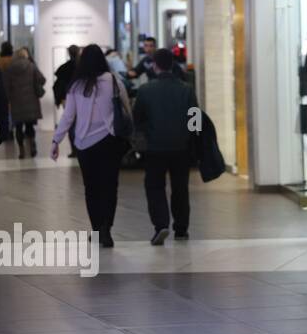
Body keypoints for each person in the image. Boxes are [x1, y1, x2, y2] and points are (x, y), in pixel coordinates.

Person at [51, 45, 131, 248]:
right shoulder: (112, 80)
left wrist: (56, 141)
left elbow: (68, 117)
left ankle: (96, 228)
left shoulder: (76, 86)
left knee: (91, 188)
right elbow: (126, 108)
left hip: (85, 144)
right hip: (110, 141)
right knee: (110, 186)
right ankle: (106, 229)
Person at [132, 48, 198, 245]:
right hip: (181, 148)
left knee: (154, 186)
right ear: (172, 65)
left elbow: (138, 120)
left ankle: (161, 224)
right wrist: (192, 141)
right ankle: (181, 229)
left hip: (154, 148)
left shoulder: (145, 90)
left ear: (154, 65)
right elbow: (195, 120)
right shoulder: (187, 89)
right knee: (180, 188)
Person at [5, 48, 46, 158]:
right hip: (31, 102)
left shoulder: (10, 69)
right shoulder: (31, 66)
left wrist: (8, 100)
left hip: (16, 103)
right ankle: (32, 145)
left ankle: (22, 151)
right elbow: (42, 79)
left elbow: (7, 87)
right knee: (29, 126)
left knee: (18, 128)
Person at [52, 46, 81, 155]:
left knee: (70, 123)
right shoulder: (82, 67)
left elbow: (58, 85)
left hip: (66, 98)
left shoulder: (64, 68)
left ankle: (74, 149)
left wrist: (58, 100)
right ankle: (80, 147)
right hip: (82, 98)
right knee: (81, 122)